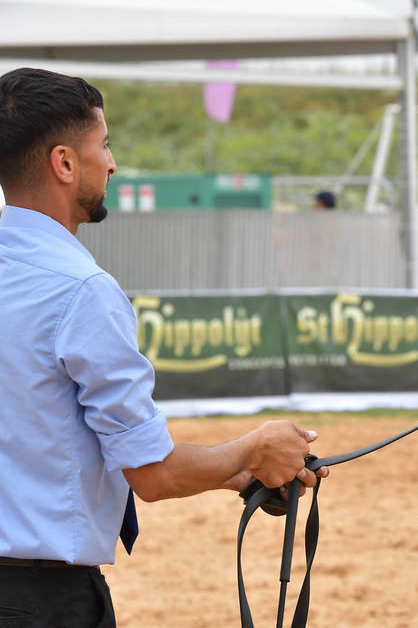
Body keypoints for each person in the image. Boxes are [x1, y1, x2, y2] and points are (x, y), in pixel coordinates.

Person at [0, 67, 327, 627]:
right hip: (41, 601)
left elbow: (42, 439)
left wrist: (234, 473)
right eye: (103, 144)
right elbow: (153, 475)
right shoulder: (82, 291)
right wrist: (255, 447)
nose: (113, 162)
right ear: (64, 163)